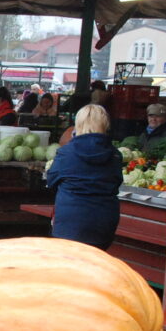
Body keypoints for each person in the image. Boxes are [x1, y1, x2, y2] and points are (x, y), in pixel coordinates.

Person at [46, 104, 121, 249]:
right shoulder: (115, 154)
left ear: (78, 124)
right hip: (104, 222)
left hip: (70, 222)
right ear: (105, 124)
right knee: (96, 263)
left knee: (69, 265)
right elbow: (117, 182)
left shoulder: (66, 152)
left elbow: (51, 181)